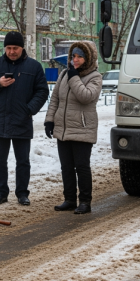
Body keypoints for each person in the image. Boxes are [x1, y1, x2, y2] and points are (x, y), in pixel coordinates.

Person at [0, 31, 49, 206]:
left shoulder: (34, 67)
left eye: (15, 48)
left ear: (22, 48)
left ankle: (22, 193)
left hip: (22, 120)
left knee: (23, 161)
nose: (11, 51)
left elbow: (42, 91)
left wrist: (29, 109)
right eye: (8, 48)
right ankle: (1, 192)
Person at [44, 41, 102, 215]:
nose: (75, 60)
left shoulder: (95, 77)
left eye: (79, 57)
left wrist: (74, 76)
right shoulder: (64, 74)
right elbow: (55, 99)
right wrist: (49, 121)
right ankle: (69, 199)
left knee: (82, 166)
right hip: (63, 128)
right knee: (66, 166)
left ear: (88, 58)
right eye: (73, 56)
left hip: (82, 128)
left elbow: (86, 96)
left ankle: (85, 202)